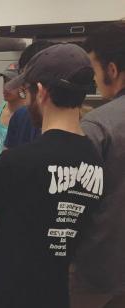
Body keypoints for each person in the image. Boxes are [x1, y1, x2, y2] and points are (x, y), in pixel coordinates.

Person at [0, 44, 103, 308]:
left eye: (27, 91)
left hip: (0, 296)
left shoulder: (17, 161)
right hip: (53, 295)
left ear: (41, 92)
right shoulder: (94, 161)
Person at [72, 21, 125, 308]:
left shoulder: (98, 125)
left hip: (98, 271)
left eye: (94, 69)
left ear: (112, 69)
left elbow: (72, 202)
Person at [3, 40, 56, 149]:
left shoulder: (84, 127)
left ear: (41, 89)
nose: (26, 100)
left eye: (26, 87)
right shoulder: (20, 117)